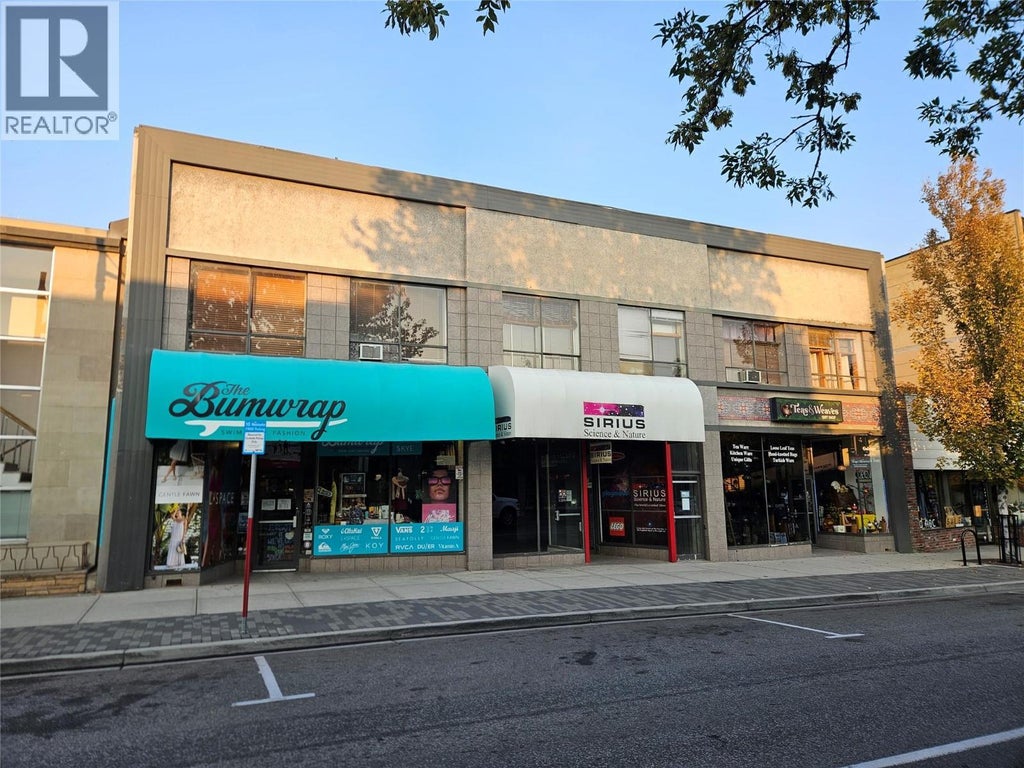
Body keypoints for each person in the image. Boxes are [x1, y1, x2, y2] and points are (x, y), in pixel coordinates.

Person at [165, 503, 197, 568]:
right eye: (177, 512)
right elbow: (172, 515)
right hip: (174, 537)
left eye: (179, 511)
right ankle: (172, 563)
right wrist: (176, 509)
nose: (177, 513)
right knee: (173, 548)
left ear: (181, 513)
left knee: (179, 549)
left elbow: (184, 530)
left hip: (179, 537)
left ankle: (178, 563)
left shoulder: (184, 520)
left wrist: (183, 538)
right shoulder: (175, 519)